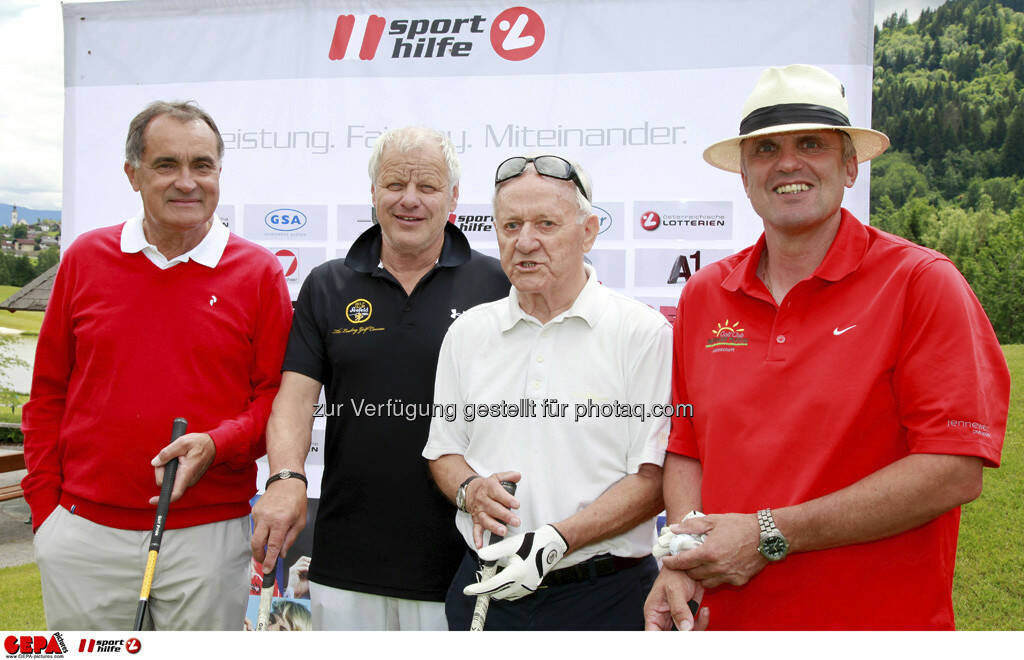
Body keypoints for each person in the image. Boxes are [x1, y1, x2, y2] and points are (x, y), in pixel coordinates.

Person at [644, 64, 1011, 631]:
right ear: (745, 175)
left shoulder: (921, 281)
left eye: (810, 143)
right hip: (725, 624)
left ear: (848, 166)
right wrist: (684, 557)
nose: (788, 163)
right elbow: (688, 444)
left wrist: (770, 534)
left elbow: (953, 468)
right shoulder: (704, 294)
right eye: (766, 149)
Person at [22, 100, 293, 630]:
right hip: (83, 535)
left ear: (219, 172)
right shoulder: (85, 257)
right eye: (166, 165)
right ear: (133, 174)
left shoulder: (258, 272)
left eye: (203, 165)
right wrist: (46, 511)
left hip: (207, 540)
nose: (187, 182)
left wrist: (219, 443)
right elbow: (49, 392)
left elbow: (275, 401)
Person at [250, 126, 509, 630]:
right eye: (394, 184)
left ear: (454, 197)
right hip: (347, 559)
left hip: (465, 559)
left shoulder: (499, 283)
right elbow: (295, 401)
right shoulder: (327, 284)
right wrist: (284, 478)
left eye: (428, 187)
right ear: (372, 192)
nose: (409, 200)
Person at [423, 154, 671, 630]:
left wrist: (558, 538)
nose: (525, 242)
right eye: (510, 225)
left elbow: (655, 477)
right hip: (484, 590)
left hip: (602, 597)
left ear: (589, 231)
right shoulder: (469, 333)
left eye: (546, 224)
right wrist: (470, 490)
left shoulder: (642, 333)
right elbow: (444, 452)